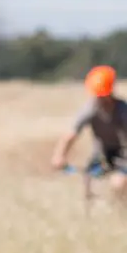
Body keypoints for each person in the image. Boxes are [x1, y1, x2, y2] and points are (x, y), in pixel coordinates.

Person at [51, 65, 127, 200]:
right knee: (85, 184)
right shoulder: (90, 109)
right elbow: (71, 134)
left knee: (118, 184)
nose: (101, 99)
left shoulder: (123, 110)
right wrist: (59, 155)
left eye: (104, 95)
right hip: (102, 156)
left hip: (123, 156)